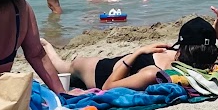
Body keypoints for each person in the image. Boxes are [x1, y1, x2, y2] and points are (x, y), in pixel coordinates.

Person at [42, 39, 176, 92]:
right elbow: (107, 86)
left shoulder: (176, 55)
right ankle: (46, 46)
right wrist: (137, 53)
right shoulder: (152, 73)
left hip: (115, 64)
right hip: (95, 71)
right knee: (61, 67)